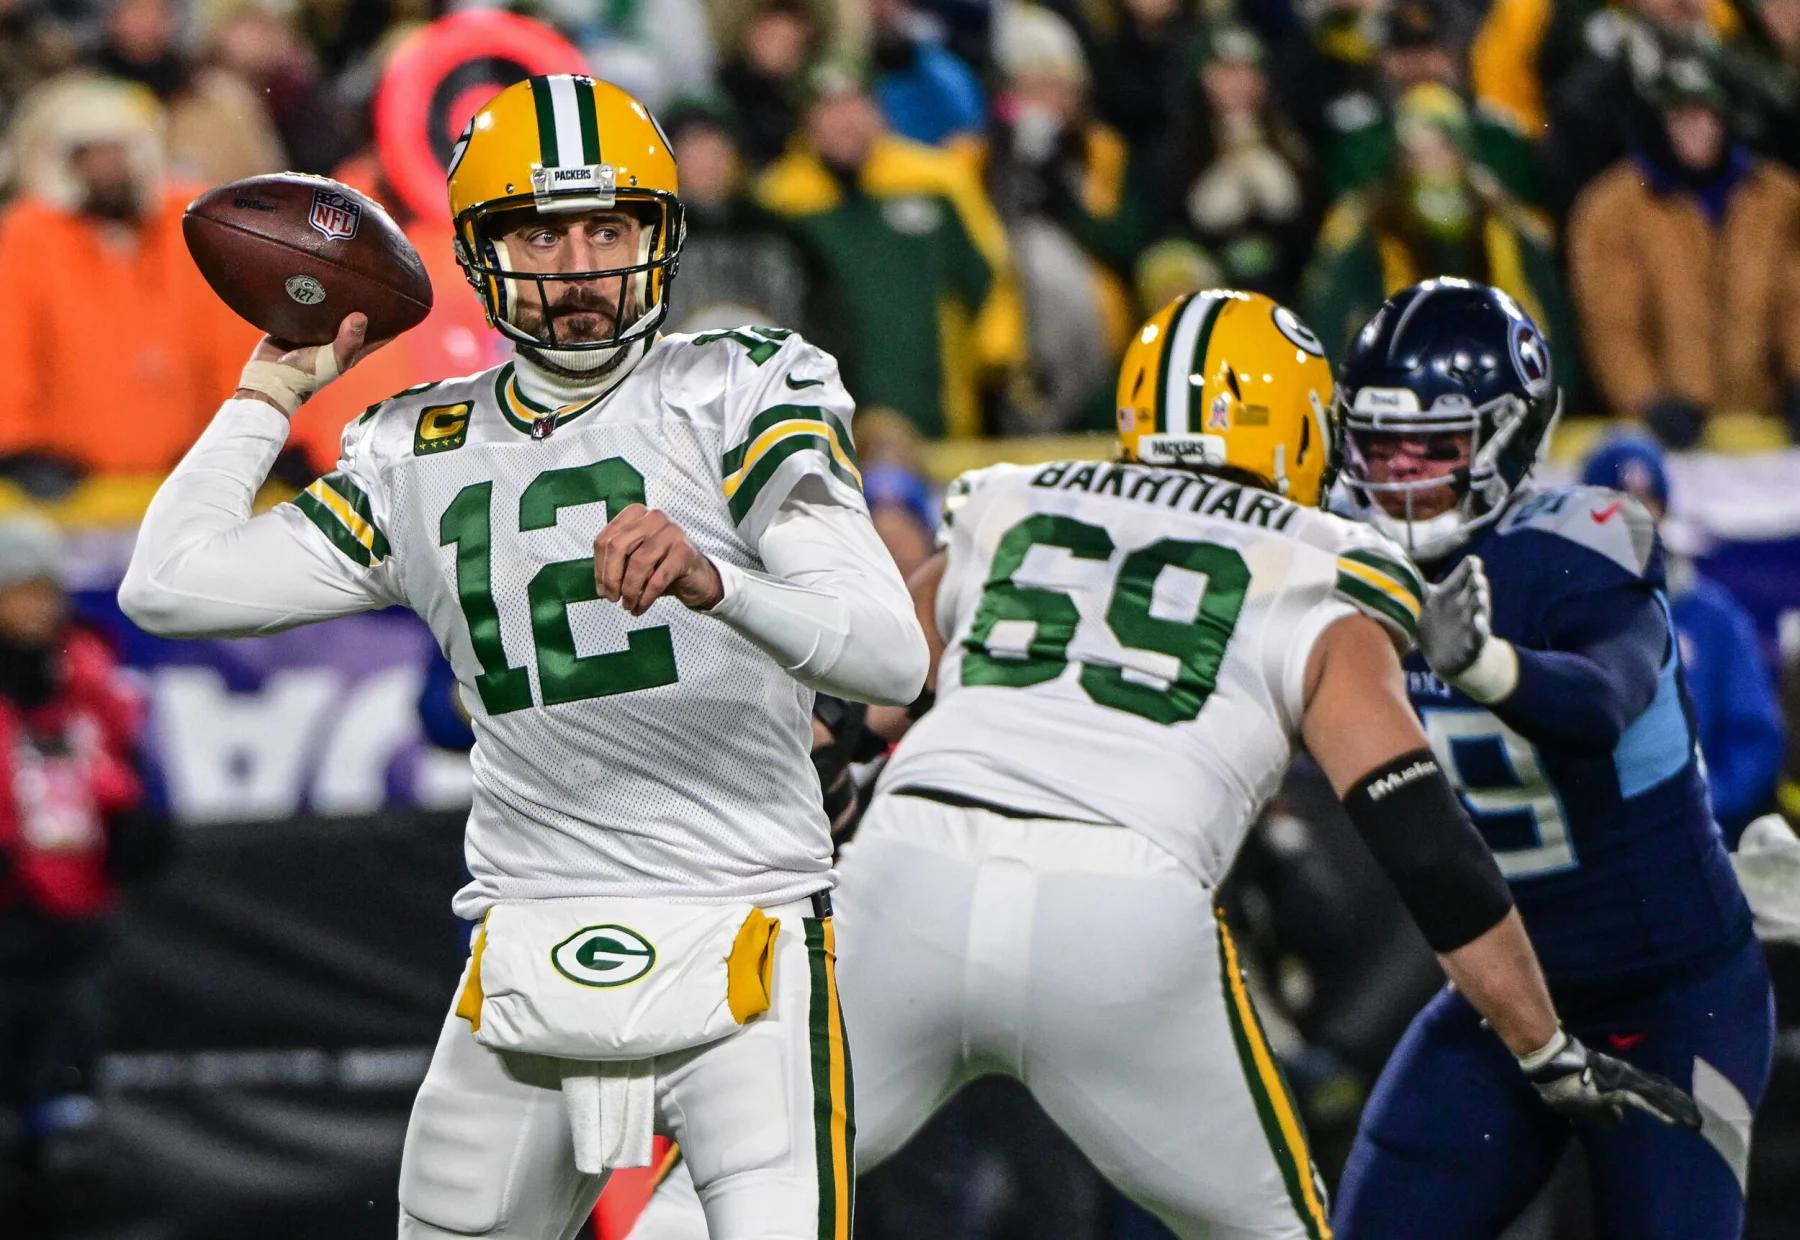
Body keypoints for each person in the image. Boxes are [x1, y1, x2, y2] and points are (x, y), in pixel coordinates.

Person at [629, 290, 1698, 1240]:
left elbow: (845, 708)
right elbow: (1423, 842)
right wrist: (1544, 1043)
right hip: (1124, 910)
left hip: (908, 872)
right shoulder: (1325, 568)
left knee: (715, 1205)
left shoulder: (1014, 500)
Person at [118, 73, 929, 1240]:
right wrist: (268, 389)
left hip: (742, 922)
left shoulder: (739, 384)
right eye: (542, 234)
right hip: (524, 932)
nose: (583, 263)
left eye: (610, 227)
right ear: (485, 253)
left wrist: (722, 582)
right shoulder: (416, 438)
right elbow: (168, 586)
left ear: (661, 235)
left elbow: (890, 657)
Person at [1330, 278, 1774, 1240]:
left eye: (1434, 448)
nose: (1399, 475)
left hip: (1673, 994)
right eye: (1378, 445)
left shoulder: (1586, 540)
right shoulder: (1342, 559)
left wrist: (1484, 664)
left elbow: (1600, 702)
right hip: (1503, 1002)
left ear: (1509, 435)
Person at [0, 514, 164, 1217]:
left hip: (77, 924)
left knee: (70, 1143)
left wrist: (138, 825)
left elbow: (135, 779)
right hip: (9, 918)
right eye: (18, 592)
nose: (35, 608)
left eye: (45, 590)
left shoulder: (94, 678)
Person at [0, 74, 262, 481]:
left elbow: (232, 341)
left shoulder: (192, 227)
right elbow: (12, 345)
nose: (106, 167)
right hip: (69, 486)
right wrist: (18, 446)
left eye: (117, 151)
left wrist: (245, 437)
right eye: (90, 153)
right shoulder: (31, 235)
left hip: (190, 469)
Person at [755, 58, 1024, 438]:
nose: (845, 120)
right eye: (828, 108)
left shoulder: (935, 179)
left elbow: (992, 278)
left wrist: (999, 366)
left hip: (939, 420)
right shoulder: (780, 200)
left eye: (855, 103)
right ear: (806, 121)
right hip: (820, 435)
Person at [1566, 56, 1800, 448]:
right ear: (1659, 122)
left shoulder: (1777, 198)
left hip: (1763, 429)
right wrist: (1648, 401)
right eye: (1681, 116)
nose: (1697, 128)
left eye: (1707, 116)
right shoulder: (1611, 210)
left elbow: (1796, 303)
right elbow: (1610, 324)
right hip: (1666, 434)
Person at [1301, 82, 1575, 386]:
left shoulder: (1505, 226)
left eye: (1441, 149)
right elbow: (1334, 316)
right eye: (1416, 154)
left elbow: (1549, 323)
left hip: (1495, 383)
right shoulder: (1367, 227)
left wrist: (1548, 392)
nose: (1430, 164)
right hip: (1394, 390)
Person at [1581, 432, 1784, 840]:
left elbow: (1754, 735)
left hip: (1695, 838)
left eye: (1648, 503)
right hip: (1587, 841)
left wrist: (1703, 806)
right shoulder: (1555, 611)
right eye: (1616, 505)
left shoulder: (1712, 616)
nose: (1636, 519)